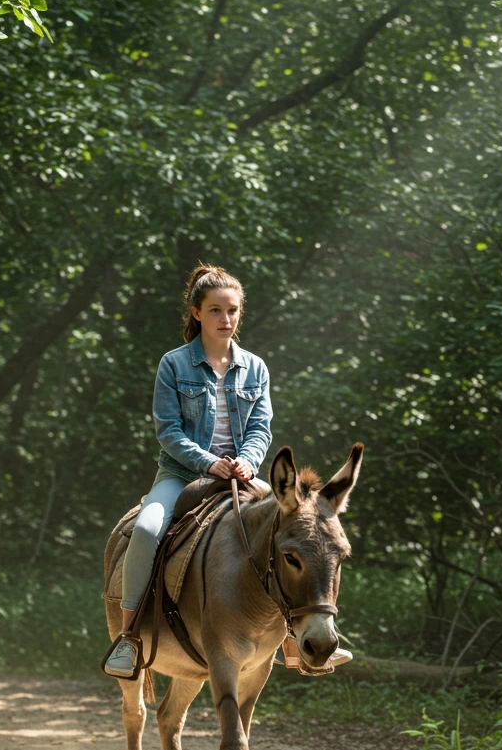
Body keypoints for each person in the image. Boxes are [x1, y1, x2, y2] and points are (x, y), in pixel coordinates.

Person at [103, 263, 352, 677]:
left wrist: (249, 461)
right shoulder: (174, 364)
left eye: (233, 310)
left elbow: (260, 428)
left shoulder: (256, 367)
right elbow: (168, 430)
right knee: (146, 531)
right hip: (181, 474)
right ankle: (129, 638)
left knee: (303, 532)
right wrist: (208, 461)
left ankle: (294, 637)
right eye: (216, 310)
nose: (226, 318)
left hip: (241, 475)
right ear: (197, 313)